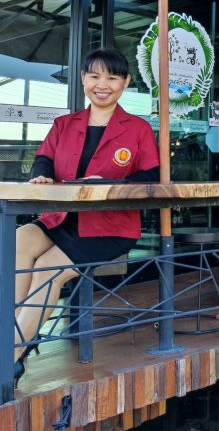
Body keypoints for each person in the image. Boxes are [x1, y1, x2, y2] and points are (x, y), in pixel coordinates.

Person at [17, 48, 160, 388]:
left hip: (110, 226)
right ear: (83, 79)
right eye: (94, 76)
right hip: (62, 217)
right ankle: (17, 331)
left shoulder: (138, 128)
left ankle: (10, 354)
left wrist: (110, 184)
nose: (102, 84)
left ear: (125, 82)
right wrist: (41, 176)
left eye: (112, 77)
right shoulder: (64, 124)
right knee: (17, 240)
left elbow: (151, 177)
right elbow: (44, 159)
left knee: (46, 270)